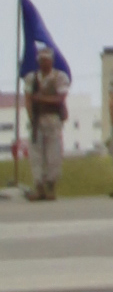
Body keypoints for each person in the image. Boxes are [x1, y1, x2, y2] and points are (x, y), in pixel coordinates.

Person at [21, 38, 70, 199]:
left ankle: (51, 186)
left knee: (53, 154)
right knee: (36, 156)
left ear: (52, 61)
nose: (44, 63)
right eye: (41, 60)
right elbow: (28, 98)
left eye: (47, 60)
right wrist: (31, 115)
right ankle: (39, 186)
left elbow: (60, 98)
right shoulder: (32, 78)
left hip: (53, 119)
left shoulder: (59, 77)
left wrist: (40, 99)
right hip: (37, 120)